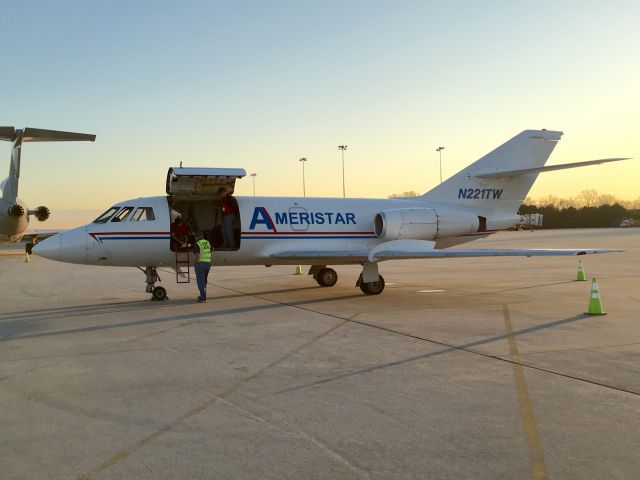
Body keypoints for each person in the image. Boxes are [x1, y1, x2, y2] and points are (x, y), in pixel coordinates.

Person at [192, 231, 212, 303]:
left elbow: (197, 255)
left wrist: (195, 263)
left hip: (200, 264)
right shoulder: (207, 242)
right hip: (208, 263)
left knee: (200, 282)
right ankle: (203, 296)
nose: (194, 238)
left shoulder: (197, 244)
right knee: (204, 281)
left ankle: (203, 298)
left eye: (195, 236)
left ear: (197, 237)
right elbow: (212, 249)